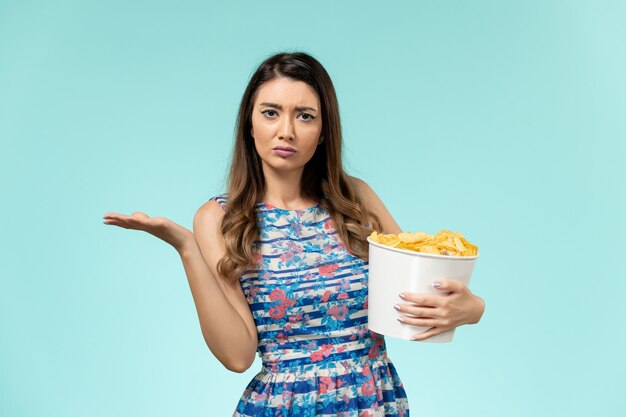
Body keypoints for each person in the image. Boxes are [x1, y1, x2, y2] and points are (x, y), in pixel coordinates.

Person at [102, 51, 485, 416]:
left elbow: (417, 298)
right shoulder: (219, 218)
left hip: (374, 401)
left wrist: (471, 310)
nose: (286, 131)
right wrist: (185, 247)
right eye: (271, 113)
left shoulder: (357, 198)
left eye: (304, 116)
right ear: (249, 124)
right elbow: (237, 356)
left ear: (322, 131)